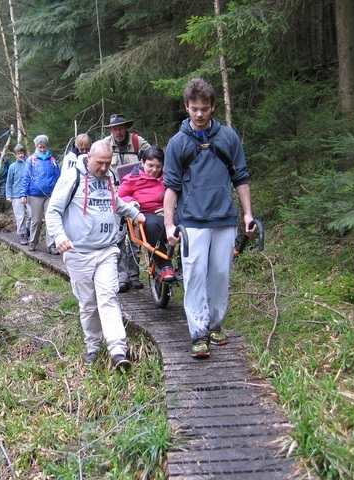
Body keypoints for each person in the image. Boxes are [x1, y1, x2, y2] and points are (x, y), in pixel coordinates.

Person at [163, 77, 254, 359]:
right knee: (194, 277)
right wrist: (168, 223)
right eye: (194, 109)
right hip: (192, 221)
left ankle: (215, 325)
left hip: (224, 218)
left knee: (220, 274)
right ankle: (198, 333)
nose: (199, 114)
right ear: (187, 108)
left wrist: (248, 214)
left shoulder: (228, 138)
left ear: (213, 107)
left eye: (204, 108)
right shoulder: (177, 144)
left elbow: (241, 177)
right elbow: (171, 187)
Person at [45, 140, 146, 369]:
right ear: (88, 156)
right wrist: (59, 236)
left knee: (108, 296)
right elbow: (53, 211)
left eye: (107, 163)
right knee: (89, 303)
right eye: (100, 163)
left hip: (107, 250)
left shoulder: (109, 177)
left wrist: (133, 212)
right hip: (78, 252)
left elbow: (115, 202)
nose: (103, 168)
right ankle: (93, 345)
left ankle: (118, 349)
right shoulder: (72, 177)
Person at [103, 114, 152, 292]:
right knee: (117, 237)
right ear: (111, 130)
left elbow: (153, 160)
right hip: (114, 195)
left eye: (121, 128)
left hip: (136, 196)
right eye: (115, 128)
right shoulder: (105, 145)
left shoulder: (139, 143)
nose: (118, 131)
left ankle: (134, 275)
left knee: (136, 236)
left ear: (126, 128)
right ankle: (121, 276)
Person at [117, 146, 175, 282]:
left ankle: (183, 264)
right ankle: (163, 264)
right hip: (146, 213)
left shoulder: (167, 178)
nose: (154, 170)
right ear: (142, 163)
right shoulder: (132, 179)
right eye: (150, 166)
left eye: (158, 166)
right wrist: (132, 202)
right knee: (153, 225)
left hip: (167, 210)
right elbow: (119, 197)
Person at [19, 135, 61, 254]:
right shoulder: (31, 160)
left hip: (50, 194)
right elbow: (25, 177)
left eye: (44, 147)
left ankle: (51, 245)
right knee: (36, 220)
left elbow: (58, 177)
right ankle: (33, 241)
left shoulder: (52, 160)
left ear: (46, 146)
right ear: (36, 146)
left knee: (50, 219)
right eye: (40, 147)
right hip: (34, 195)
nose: (42, 149)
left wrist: (59, 192)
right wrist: (23, 194)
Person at [6, 144, 31, 245]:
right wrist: (9, 195)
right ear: (15, 155)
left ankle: (29, 231)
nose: (20, 155)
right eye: (18, 153)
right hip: (16, 195)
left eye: (22, 153)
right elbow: (9, 182)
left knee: (31, 215)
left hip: (29, 194)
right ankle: (23, 236)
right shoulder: (12, 167)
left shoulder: (29, 164)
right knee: (20, 217)